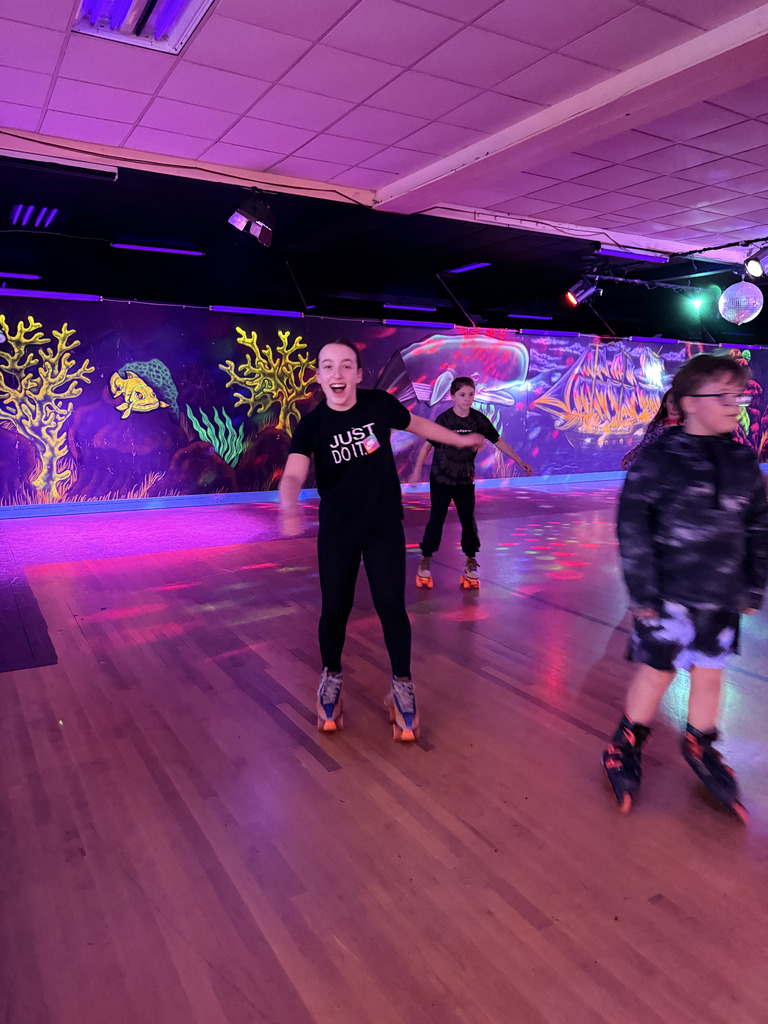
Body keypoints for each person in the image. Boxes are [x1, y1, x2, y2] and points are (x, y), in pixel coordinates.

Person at [279, 340, 486, 741]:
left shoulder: (378, 404)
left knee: (392, 606)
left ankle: (402, 686)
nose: (336, 374)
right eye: (328, 367)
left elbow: (417, 424)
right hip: (338, 531)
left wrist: (458, 440)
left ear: (358, 374)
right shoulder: (313, 425)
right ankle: (332, 678)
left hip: (383, 526)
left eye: (345, 366)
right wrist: (288, 505)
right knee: (334, 608)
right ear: (319, 377)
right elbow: (293, 473)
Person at [604, 354, 768, 820]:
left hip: (721, 593)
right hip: (667, 594)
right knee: (658, 671)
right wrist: (642, 592)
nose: (736, 405)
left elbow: (758, 523)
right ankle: (625, 742)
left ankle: (701, 744)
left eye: (739, 396)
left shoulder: (741, 458)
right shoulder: (659, 458)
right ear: (690, 403)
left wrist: (754, 585)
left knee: (710, 672)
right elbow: (632, 524)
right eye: (725, 396)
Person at [409, 376, 532, 587]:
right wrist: (417, 470)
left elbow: (498, 440)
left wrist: (519, 461)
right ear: (452, 396)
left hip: (465, 480)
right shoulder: (444, 420)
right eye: (463, 395)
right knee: (436, 519)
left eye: (471, 395)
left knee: (468, 520)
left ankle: (470, 560)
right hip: (441, 478)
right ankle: (426, 558)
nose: (468, 399)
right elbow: (427, 446)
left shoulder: (478, 420)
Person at [621, 388, 681, 470]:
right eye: (671, 402)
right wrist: (631, 455)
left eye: (678, 402)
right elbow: (645, 444)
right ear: (664, 404)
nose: (675, 406)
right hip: (661, 469)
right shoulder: (656, 425)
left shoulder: (691, 425)